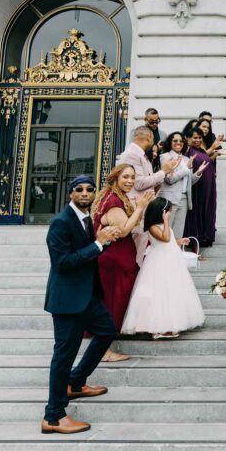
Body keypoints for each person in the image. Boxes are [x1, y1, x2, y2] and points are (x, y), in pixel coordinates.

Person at [41, 175, 121, 435]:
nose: (85, 193)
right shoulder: (61, 223)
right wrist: (99, 243)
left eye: (89, 189)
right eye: (79, 190)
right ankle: (53, 416)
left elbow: (88, 254)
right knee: (63, 355)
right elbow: (63, 262)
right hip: (67, 301)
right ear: (70, 194)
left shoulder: (85, 219)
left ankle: (76, 382)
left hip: (86, 297)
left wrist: (101, 242)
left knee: (107, 329)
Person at [122, 197, 205, 339]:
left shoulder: (161, 226)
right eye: (168, 212)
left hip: (170, 259)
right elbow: (165, 238)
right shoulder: (153, 226)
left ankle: (168, 324)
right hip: (159, 262)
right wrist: (166, 221)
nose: (170, 214)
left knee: (171, 291)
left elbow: (168, 241)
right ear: (162, 212)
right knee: (160, 292)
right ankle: (157, 328)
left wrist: (179, 242)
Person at [90, 163, 149, 361]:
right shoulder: (114, 201)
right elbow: (124, 230)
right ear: (115, 177)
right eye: (125, 177)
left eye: (132, 177)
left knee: (114, 303)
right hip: (114, 262)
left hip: (117, 260)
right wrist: (140, 207)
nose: (130, 181)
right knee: (112, 305)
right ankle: (104, 352)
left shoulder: (110, 196)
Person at [117, 125, 177, 262]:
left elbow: (149, 184)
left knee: (143, 252)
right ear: (149, 137)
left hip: (145, 210)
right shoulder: (132, 154)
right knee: (138, 255)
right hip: (137, 209)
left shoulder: (142, 155)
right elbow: (139, 183)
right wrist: (163, 171)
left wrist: (166, 173)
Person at [159, 131, 208, 240]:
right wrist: (186, 168)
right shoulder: (165, 157)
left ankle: (176, 255)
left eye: (181, 141)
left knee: (178, 233)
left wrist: (198, 173)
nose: (178, 143)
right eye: (175, 140)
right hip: (170, 199)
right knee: (167, 231)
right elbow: (169, 179)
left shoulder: (186, 159)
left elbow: (189, 182)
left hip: (184, 199)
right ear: (170, 143)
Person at [184, 127, 218, 248]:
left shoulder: (201, 151)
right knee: (197, 211)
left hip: (209, 188)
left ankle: (206, 236)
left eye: (199, 137)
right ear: (188, 139)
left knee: (208, 210)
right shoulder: (188, 152)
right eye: (195, 138)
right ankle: (196, 241)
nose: (197, 140)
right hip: (197, 188)